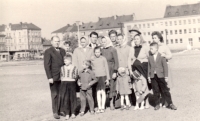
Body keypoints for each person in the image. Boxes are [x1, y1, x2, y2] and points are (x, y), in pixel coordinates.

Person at [148, 42, 177, 110]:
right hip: (153, 77)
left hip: (161, 76)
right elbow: (149, 67)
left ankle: (170, 104)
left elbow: (165, 67)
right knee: (155, 90)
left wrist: (166, 76)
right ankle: (157, 104)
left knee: (165, 90)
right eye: (150, 49)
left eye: (152, 49)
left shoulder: (161, 56)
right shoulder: (150, 57)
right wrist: (148, 76)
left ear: (156, 49)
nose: (150, 50)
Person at [44, 36, 66, 119]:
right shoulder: (48, 51)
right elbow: (47, 65)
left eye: (58, 41)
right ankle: (55, 112)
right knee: (54, 95)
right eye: (55, 41)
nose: (57, 43)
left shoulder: (63, 51)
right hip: (54, 77)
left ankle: (61, 110)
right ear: (51, 42)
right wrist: (49, 77)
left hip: (63, 76)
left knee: (62, 94)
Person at [129, 28, 151, 107]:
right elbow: (129, 59)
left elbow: (149, 58)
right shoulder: (132, 47)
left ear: (140, 38)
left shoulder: (145, 46)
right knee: (138, 85)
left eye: (137, 38)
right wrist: (130, 71)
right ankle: (140, 102)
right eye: (135, 39)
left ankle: (147, 102)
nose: (136, 40)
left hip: (143, 68)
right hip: (135, 69)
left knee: (145, 84)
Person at [151, 31, 173, 107]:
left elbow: (170, 55)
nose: (154, 39)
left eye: (155, 38)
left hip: (164, 68)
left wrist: (164, 55)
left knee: (165, 85)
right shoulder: (153, 46)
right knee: (158, 86)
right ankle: (161, 101)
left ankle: (166, 101)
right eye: (153, 38)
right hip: (156, 70)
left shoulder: (164, 46)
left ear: (159, 38)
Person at [100, 36, 119, 110]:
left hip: (111, 69)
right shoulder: (101, 50)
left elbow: (116, 62)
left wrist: (115, 71)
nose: (103, 43)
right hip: (103, 70)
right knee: (104, 86)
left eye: (105, 41)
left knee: (112, 86)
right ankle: (104, 103)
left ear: (107, 41)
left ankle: (111, 103)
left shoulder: (112, 49)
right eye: (102, 41)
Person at [91, 46, 110, 113]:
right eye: (96, 52)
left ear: (100, 52)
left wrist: (107, 78)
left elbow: (106, 68)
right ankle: (99, 107)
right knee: (98, 92)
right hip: (96, 77)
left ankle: (103, 107)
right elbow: (92, 68)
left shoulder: (103, 58)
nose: (97, 53)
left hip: (103, 76)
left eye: (98, 52)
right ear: (94, 53)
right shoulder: (92, 59)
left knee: (103, 92)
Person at [59, 54, 78, 120]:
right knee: (65, 98)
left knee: (72, 98)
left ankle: (73, 112)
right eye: (64, 61)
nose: (65, 62)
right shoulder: (62, 68)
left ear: (70, 61)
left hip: (72, 83)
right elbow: (61, 75)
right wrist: (64, 80)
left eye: (66, 61)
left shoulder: (74, 67)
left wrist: (72, 79)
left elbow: (76, 76)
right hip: (64, 84)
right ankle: (67, 113)